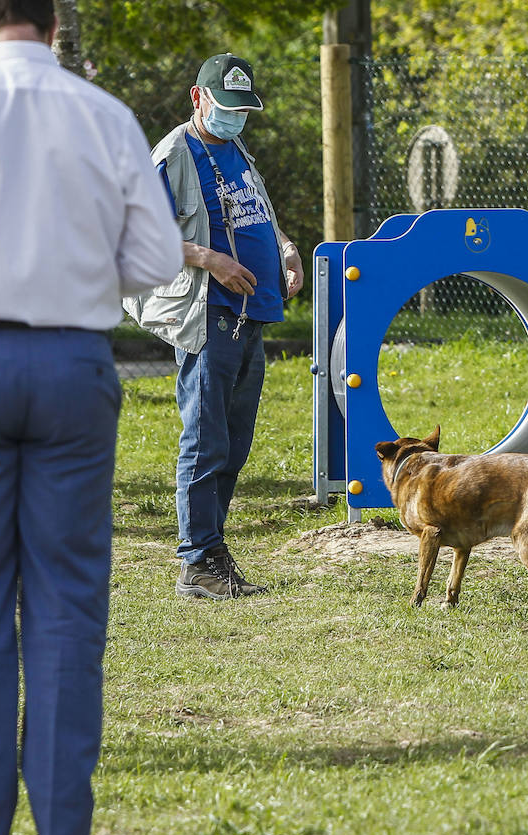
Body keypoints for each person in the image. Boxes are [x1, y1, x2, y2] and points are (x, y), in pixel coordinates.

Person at [0, 1, 183, 835]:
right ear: (54, 20)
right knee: (67, 600)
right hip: (73, 361)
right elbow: (153, 264)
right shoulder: (104, 116)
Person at [123, 53, 304, 600]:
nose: (235, 118)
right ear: (198, 99)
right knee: (206, 440)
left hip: (252, 312)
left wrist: (287, 252)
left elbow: (257, 214)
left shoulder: (236, 148)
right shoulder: (174, 154)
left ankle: (212, 548)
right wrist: (208, 258)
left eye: (243, 109)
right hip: (209, 312)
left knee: (235, 440)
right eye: (225, 108)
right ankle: (196, 560)